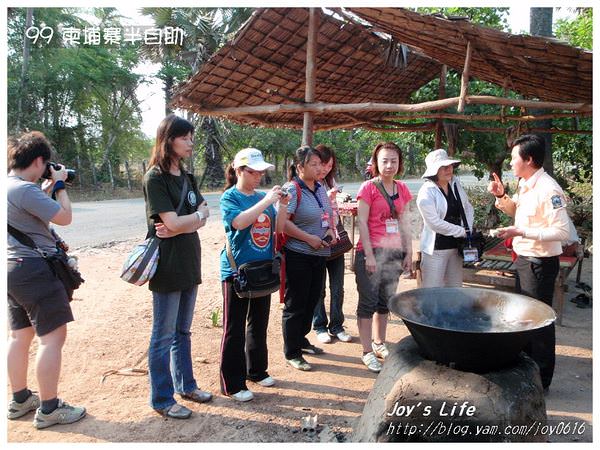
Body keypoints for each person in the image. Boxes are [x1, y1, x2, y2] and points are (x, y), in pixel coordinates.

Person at [7, 131, 86, 429]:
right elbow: (64, 218)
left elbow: (32, 212)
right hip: (34, 269)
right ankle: (50, 408)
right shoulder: (25, 191)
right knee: (52, 339)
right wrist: (62, 186)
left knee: (18, 336)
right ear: (39, 160)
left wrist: (49, 186)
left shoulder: (10, 186)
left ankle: (20, 399)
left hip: (12, 269)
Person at [142, 114, 212, 419]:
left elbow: (205, 212)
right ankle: (161, 398)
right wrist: (190, 221)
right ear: (169, 139)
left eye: (191, 137)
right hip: (168, 264)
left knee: (183, 331)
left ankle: (186, 385)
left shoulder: (188, 178)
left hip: (188, 259)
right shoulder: (154, 178)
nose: (191, 143)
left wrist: (185, 223)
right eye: (185, 137)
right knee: (163, 334)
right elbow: (170, 222)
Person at [487, 134, 569, 391]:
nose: (511, 163)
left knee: (540, 322)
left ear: (529, 160)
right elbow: (520, 215)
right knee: (525, 318)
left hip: (540, 263)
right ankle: (527, 373)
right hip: (525, 259)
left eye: (514, 158)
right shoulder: (526, 184)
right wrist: (502, 196)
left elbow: (563, 233)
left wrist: (521, 233)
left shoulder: (548, 189)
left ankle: (541, 381)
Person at [219, 148, 289, 402]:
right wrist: (268, 201)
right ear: (239, 171)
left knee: (258, 323)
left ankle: (256, 371)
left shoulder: (263, 197)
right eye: (253, 171)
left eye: (261, 171)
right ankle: (232, 383)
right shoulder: (230, 197)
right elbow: (239, 222)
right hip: (237, 271)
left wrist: (282, 206)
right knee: (234, 328)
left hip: (262, 269)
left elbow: (278, 229)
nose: (258, 176)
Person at [354, 142, 412, 372]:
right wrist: (368, 255)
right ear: (376, 163)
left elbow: (406, 223)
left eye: (393, 161)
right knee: (367, 302)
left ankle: (379, 343)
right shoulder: (367, 188)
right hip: (371, 251)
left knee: (384, 301)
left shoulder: (403, 188)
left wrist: (408, 252)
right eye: (384, 160)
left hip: (394, 251)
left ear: (400, 163)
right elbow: (363, 224)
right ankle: (367, 351)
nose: (389, 165)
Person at [281, 146, 336, 371]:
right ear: (300, 167)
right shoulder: (292, 190)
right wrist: (308, 238)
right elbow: (282, 222)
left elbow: (327, 215)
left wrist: (329, 233)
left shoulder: (320, 186)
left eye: (320, 164)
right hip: (299, 254)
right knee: (296, 303)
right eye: (313, 164)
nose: (319, 168)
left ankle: (301, 339)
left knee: (313, 299)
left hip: (319, 254)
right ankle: (291, 351)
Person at [311, 144, 352, 344]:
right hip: (317, 241)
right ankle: (319, 325)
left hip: (335, 239)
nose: (326, 169)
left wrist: (337, 199)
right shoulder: (308, 184)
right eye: (323, 164)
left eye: (329, 165)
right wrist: (327, 200)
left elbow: (334, 208)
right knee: (318, 287)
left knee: (338, 286)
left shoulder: (329, 181)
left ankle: (337, 325)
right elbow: (307, 213)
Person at [416, 149, 474, 288]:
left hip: (457, 246)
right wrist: (462, 231)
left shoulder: (455, 184)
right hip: (436, 249)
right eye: (443, 167)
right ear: (434, 171)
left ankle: (453, 310)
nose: (449, 169)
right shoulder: (426, 191)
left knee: (455, 288)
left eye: (450, 166)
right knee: (432, 290)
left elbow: (468, 207)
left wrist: (468, 229)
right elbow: (434, 223)